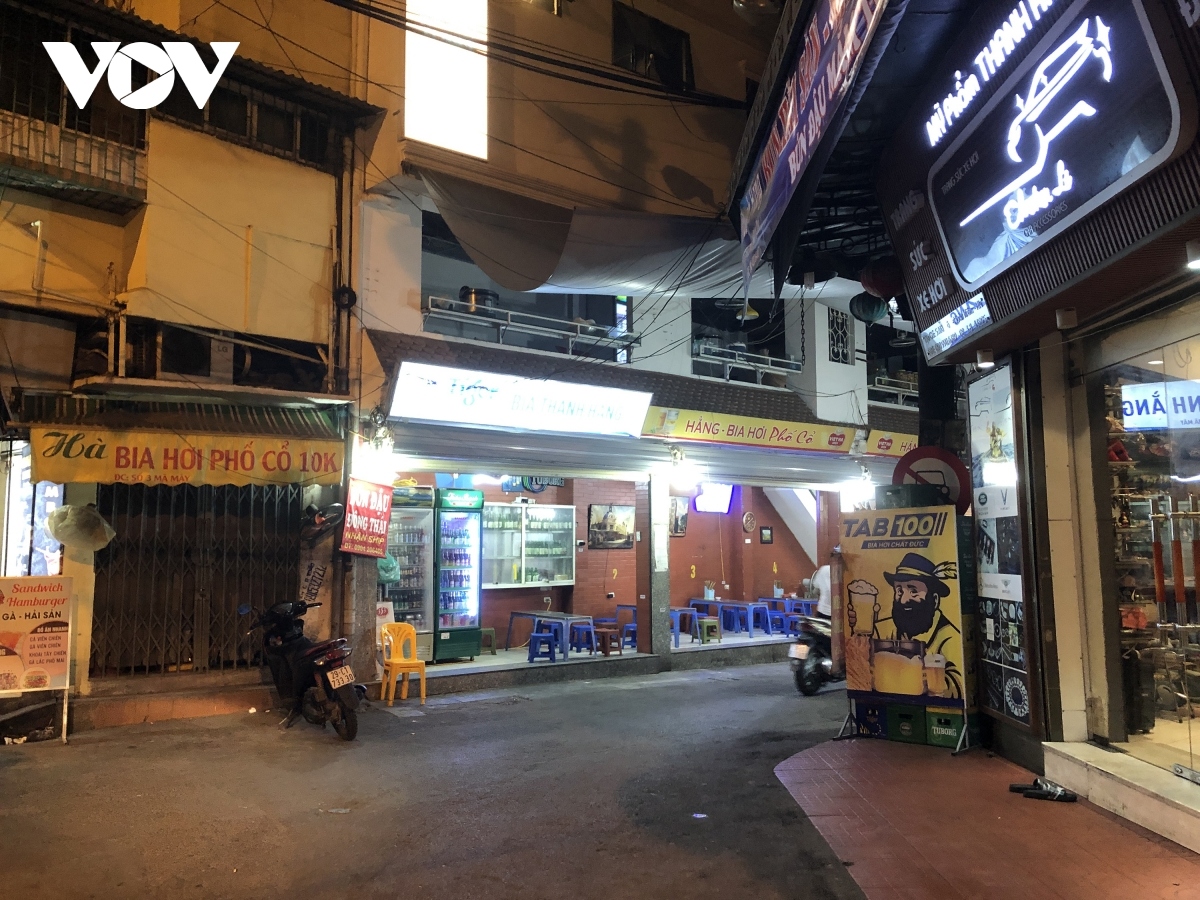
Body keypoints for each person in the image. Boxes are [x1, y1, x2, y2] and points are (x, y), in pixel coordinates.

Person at [848, 552, 961, 698]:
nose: (903, 599)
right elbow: (860, 669)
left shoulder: (949, 638)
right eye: (899, 590)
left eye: (913, 591)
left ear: (934, 600)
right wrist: (860, 633)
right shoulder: (882, 629)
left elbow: (957, 689)